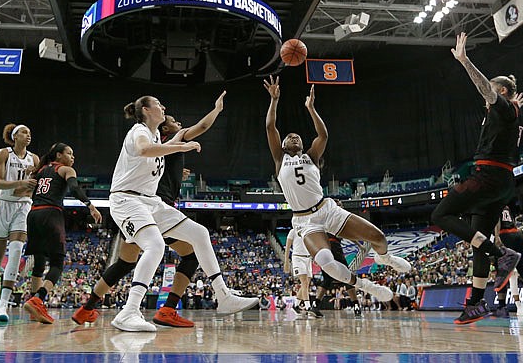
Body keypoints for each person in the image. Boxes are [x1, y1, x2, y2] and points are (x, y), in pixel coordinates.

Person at [73, 95, 257, 332]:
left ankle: (223, 296)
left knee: (199, 233)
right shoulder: (138, 131)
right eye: (159, 105)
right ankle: (129, 311)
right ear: (147, 110)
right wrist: (181, 146)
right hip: (127, 199)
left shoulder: (158, 135)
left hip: (151, 202)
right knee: (154, 246)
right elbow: (143, 149)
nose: (164, 107)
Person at [264, 76, 410, 305]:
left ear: (303, 146)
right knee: (325, 259)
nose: (293, 136)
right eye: (289, 137)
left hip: (328, 209)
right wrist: (274, 100)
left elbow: (323, 135)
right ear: (282, 145)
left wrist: (311, 108)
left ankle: (385, 258)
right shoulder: (279, 159)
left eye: (297, 137)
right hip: (306, 221)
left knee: (379, 237)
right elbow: (270, 126)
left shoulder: (311, 156)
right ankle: (366, 286)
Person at [431, 32, 523, 324]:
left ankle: (501, 254)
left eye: (495, 92)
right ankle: (475, 303)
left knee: (441, 213)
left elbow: (488, 91)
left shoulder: (502, 107)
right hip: (500, 183)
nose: (488, 99)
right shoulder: (506, 115)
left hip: (488, 177)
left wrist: (464, 61)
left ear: (502, 93)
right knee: (478, 241)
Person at [22, 142, 102, 323]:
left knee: (39, 262)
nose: (73, 157)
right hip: (51, 213)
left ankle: (34, 309)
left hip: (33, 213)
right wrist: (90, 205)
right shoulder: (65, 170)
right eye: (70, 153)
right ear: (58, 155)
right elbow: (74, 189)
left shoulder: (41, 170)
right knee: (58, 263)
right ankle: (38, 299)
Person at [0, 124, 39, 321]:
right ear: (15, 137)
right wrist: (21, 184)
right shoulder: (4, 153)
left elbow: (33, 188)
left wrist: (24, 190)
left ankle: (3, 306)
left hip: (23, 207)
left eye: (30, 133)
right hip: (1, 204)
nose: (28, 135)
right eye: (24, 132)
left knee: (16, 252)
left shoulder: (35, 159)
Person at [313, 199, 372, 317]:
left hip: (324, 248)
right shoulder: (338, 217)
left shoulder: (323, 218)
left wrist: (315, 252)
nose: (341, 206)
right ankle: (356, 305)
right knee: (347, 277)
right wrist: (359, 245)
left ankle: (315, 306)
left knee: (327, 279)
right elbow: (348, 233)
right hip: (333, 246)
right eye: (339, 205)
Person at [493, 206, 523, 318]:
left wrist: (497, 237)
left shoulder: (494, 201)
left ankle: (502, 307)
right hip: (517, 234)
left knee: (502, 273)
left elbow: (497, 220)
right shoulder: (506, 205)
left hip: (504, 235)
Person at [284, 228, 318, 318]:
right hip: (298, 258)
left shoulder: (308, 231)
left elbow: (312, 246)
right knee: (304, 282)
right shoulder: (293, 231)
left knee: (306, 285)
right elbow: (287, 247)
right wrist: (286, 261)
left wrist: (315, 257)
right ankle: (308, 307)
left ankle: (296, 305)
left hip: (308, 258)